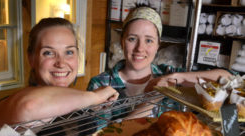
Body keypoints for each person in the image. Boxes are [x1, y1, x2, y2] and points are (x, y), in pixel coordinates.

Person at [87, 5, 233, 118]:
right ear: (122, 41)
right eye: (132, 39)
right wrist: (152, 100)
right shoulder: (101, 84)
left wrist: (179, 77)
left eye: (149, 40)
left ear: (158, 45)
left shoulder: (167, 74)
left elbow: (227, 78)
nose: (140, 48)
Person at [0, 17, 119, 130]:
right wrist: (94, 97)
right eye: (48, 53)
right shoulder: (6, 107)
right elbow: (29, 107)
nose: (61, 63)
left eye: (69, 52)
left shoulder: (80, 106)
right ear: (31, 58)